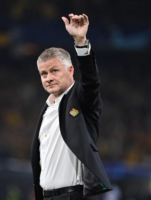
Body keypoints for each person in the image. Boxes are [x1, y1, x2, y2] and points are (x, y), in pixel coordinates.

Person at [30, 13, 112, 200]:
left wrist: (81, 43)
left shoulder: (81, 100)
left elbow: (91, 82)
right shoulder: (46, 110)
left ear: (70, 70)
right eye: (43, 73)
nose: (48, 77)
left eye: (54, 71)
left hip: (72, 196)